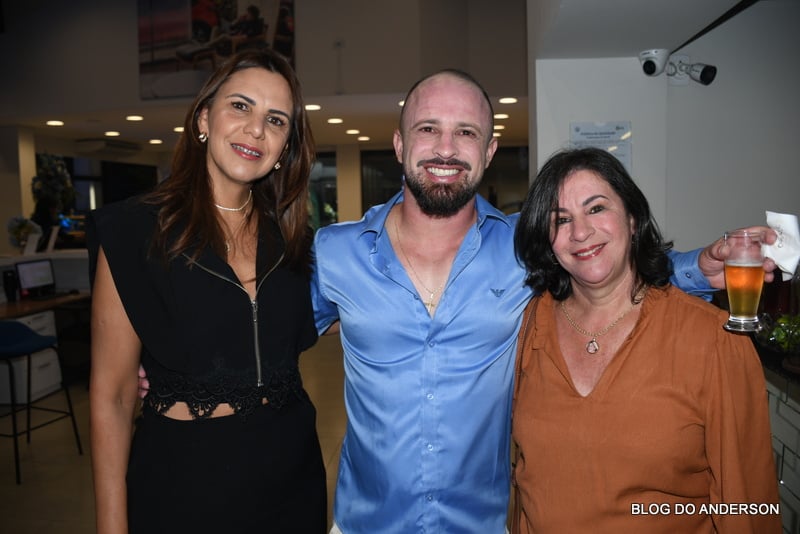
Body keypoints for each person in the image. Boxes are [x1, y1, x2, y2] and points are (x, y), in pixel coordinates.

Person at [310, 69, 778, 533]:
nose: (446, 149)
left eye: (466, 132)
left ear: (489, 151)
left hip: (480, 525)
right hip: (365, 523)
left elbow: (606, 265)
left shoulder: (525, 247)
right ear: (399, 144)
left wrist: (699, 267)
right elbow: (281, 334)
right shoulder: (335, 252)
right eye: (428, 128)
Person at [88, 49, 326, 533]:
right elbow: (112, 396)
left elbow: (338, 313)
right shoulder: (135, 231)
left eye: (275, 120)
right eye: (240, 106)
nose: (256, 130)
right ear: (203, 119)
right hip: (184, 484)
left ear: (285, 146)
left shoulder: (292, 239)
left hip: (293, 478)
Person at [511, 147, 781, 533]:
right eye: (562, 219)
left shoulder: (712, 340)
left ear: (633, 218)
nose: (580, 232)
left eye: (596, 208)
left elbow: (748, 506)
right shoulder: (530, 324)